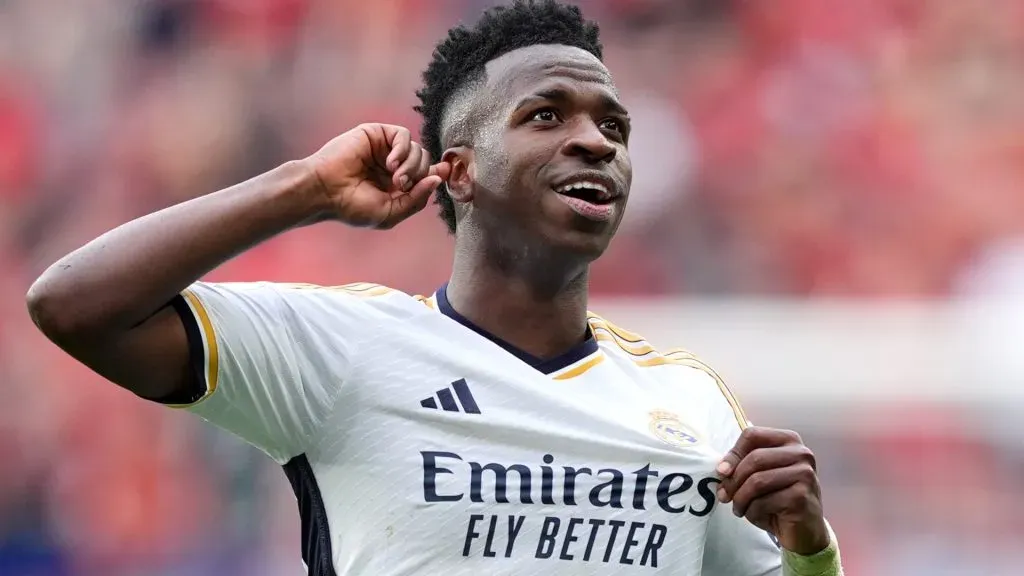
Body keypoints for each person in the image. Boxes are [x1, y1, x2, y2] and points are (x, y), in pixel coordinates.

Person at [26, 1, 843, 574]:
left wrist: (811, 549)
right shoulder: (344, 352)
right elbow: (76, 305)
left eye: (614, 127)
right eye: (547, 116)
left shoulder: (692, 403)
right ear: (459, 172)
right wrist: (302, 187)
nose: (596, 141)